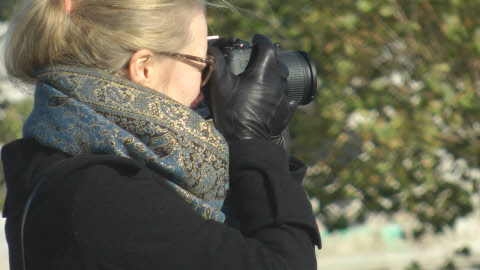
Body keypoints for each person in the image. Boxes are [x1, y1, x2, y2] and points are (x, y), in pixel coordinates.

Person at [1, 0, 321, 269]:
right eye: (203, 62)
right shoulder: (103, 197)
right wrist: (255, 145)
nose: (210, 80)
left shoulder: (61, 158)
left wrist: (268, 147)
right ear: (144, 68)